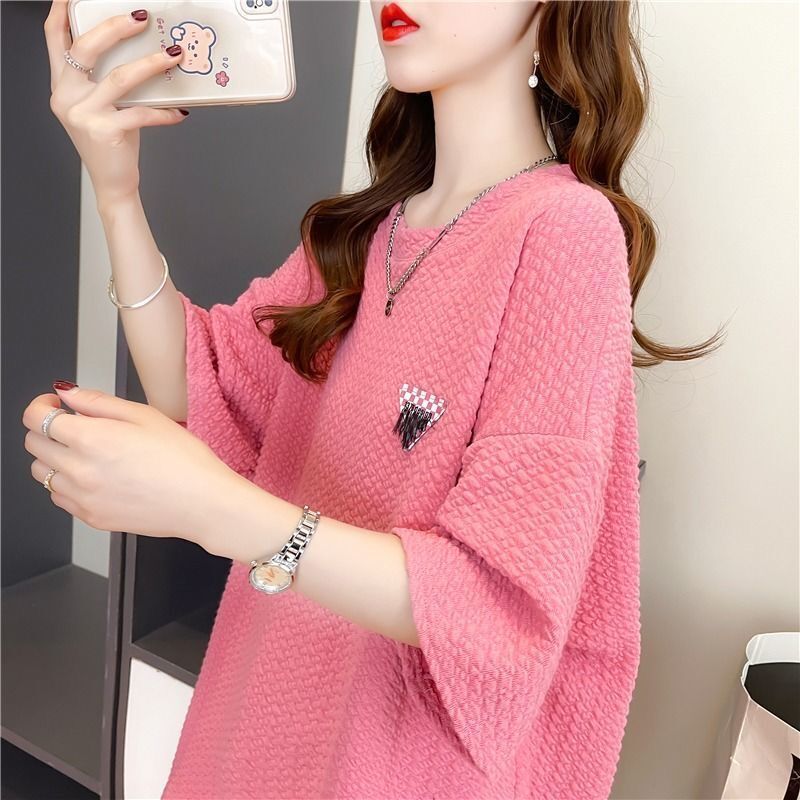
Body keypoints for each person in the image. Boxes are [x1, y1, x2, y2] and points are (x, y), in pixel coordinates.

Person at [34, 1, 724, 798]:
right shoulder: (363, 235)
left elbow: (495, 605)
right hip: (258, 724)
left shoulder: (565, 232)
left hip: (393, 769)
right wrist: (115, 190)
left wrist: (208, 507)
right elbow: (202, 386)